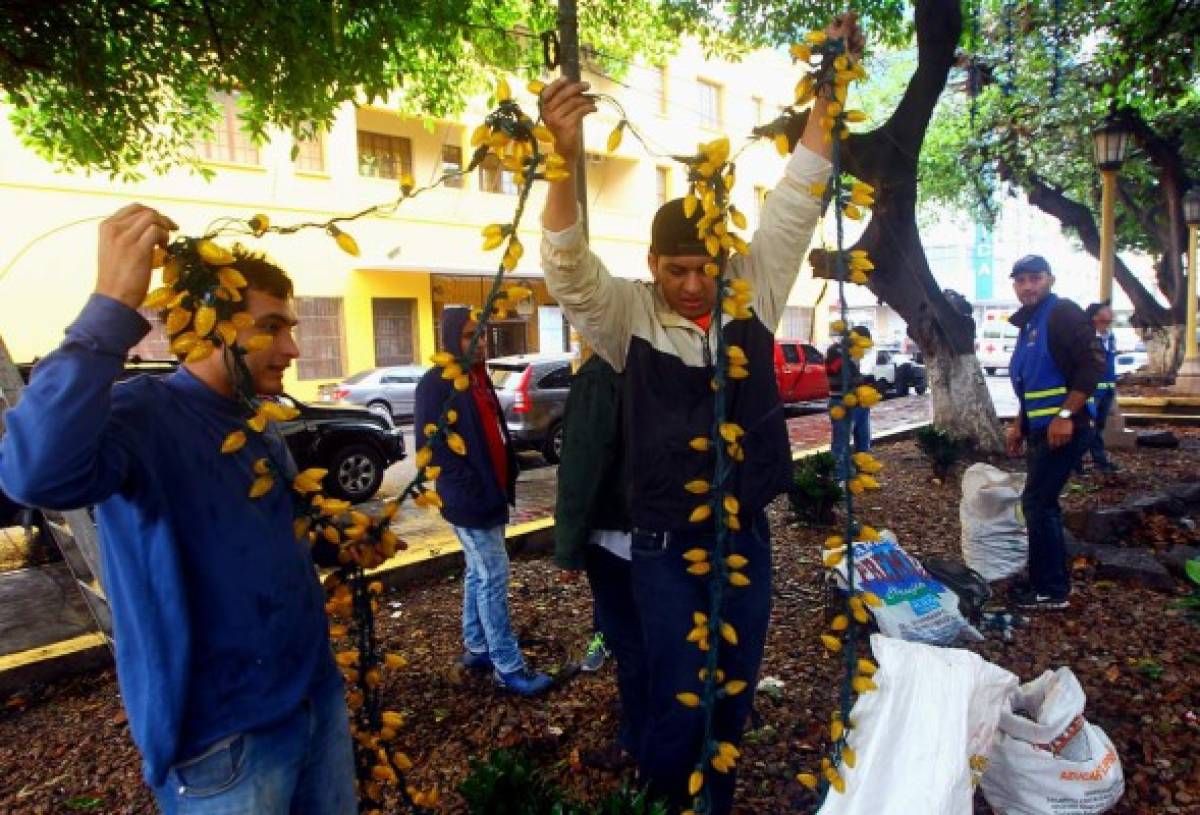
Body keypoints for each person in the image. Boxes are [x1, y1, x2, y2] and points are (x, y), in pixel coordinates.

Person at [538, 13, 862, 812]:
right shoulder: (627, 317)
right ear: (652, 266)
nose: (693, 284)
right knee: (676, 697)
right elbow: (568, 267)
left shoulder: (752, 290)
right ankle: (666, 799)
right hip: (663, 550)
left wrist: (829, 82)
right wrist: (562, 159)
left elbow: (799, 193)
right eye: (677, 270)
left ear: (725, 259)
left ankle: (712, 799)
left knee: (733, 697)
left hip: (744, 540)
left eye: (704, 267)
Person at [0, 204, 356, 813]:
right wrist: (110, 308)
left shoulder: (259, 422)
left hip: (313, 702)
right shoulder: (143, 416)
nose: (293, 347)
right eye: (272, 327)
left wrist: (331, 535)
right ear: (214, 325)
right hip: (222, 744)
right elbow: (33, 474)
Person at [413, 307, 552, 696]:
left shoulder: (478, 378)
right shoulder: (437, 384)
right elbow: (432, 449)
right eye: (467, 336)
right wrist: (469, 489)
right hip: (469, 502)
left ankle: (477, 647)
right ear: (449, 339)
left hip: (492, 495)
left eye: (482, 334)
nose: (477, 343)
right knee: (494, 575)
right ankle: (507, 666)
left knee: (479, 572)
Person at [553, 353, 641, 767]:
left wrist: (568, 548)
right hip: (664, 533)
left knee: (629, 641)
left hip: (616, 537)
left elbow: (583, 464)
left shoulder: (600, 374)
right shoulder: (656, 358)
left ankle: (637, 740)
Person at [1005, 254, 1104, 610]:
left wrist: (1065, 414)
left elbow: (1093, 365)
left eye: (1035, 278)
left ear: (1050, 279)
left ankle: (1051, 590)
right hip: (1042, 431)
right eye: (1021, 280)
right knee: (1041, 505)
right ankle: (1045, 582)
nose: (1028, 286)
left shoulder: (1061, 312)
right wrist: (1020, 424)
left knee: (1037, 503)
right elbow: (1033, 384)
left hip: (1065, 429)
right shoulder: (1030, 323)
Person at [1081, 301, 1119, 473]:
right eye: (1105, 310)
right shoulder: (1087, 337)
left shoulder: (1110, 337)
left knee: (1099, 426)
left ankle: (1100, 461)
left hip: (1107, 388)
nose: (1110, 312)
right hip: (1092, 390)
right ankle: (1076, 462)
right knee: (1087, 426)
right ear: (1095, 317)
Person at [826, 325, 873, 456]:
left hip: (859, 403)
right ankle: (840, 474)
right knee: (841, 443)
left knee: (863, 440)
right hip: (841, 402)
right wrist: (859, 379)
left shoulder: (855, 354)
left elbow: (856, 377)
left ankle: (861, 471)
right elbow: (842, 375)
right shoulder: (835, 352)